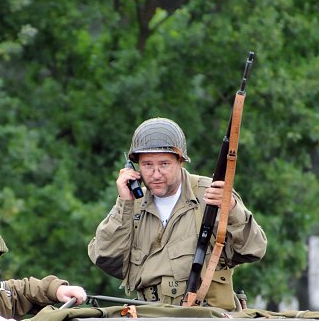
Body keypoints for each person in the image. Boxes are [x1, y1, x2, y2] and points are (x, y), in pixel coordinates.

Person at [88, 117, 266, 310]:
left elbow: (253, 249)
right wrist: (124, 204)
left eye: (164, 164)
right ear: (135, 167)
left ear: (180, 161)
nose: (156, 174)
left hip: (208, 318)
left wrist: (232, 209)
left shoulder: (212, 194)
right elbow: (107, 260)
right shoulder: (132, 203)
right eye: (147, 165)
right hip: (148, 318)